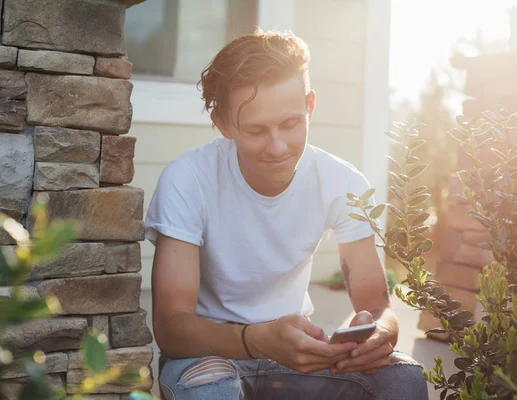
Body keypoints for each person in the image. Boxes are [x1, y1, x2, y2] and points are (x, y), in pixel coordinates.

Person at [145, 29, 428, 400]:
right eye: (257, 130)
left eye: (291, 124)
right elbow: (171, 328)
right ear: (223, 123)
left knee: (403, 379)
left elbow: (376, 304)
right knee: (209, 393)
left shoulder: (341, 181)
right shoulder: (188, 180)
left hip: (296, 356)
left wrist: (380, 333)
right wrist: (257, 339)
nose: (277, 147)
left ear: (310, 106)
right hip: (210, 356)